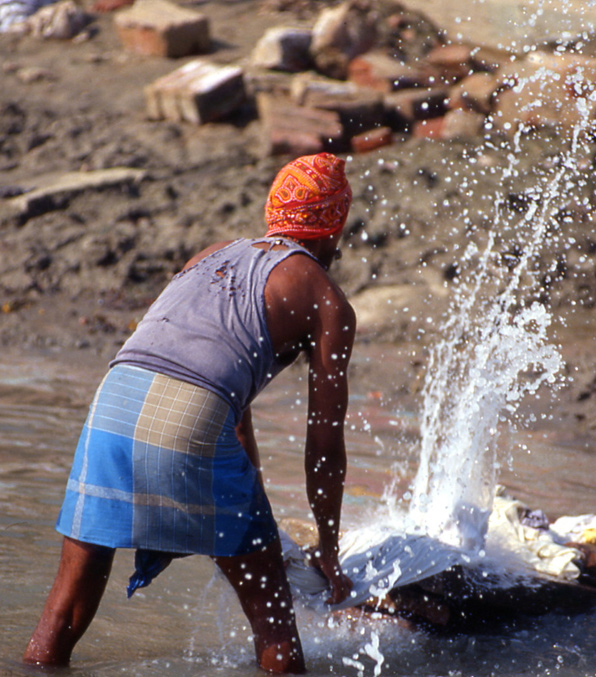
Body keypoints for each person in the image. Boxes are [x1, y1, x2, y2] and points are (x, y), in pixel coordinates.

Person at [23, 152, 357, 674]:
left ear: (275, 214)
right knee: (275, 630)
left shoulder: (212, 253)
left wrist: (251, 500)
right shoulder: (326, 298)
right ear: (332, 228)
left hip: (111, 404)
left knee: (61, 616)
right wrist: (329, 552)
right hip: (189, 418)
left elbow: (223, 392)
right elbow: (325, 447)